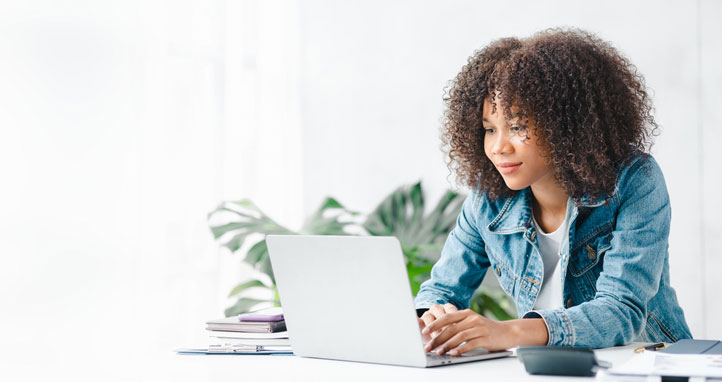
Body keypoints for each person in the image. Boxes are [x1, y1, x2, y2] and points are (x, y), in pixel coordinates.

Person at [414, 28, 692, 356]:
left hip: (647, 362)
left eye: (517, 127)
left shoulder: (634, 181)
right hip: (550, 369)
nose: (499, 147)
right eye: (490, 129)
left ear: (566, 126)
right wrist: (431, 317)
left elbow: (621, 310)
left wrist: (507, 332)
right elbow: (441, 290)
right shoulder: (488, 198)